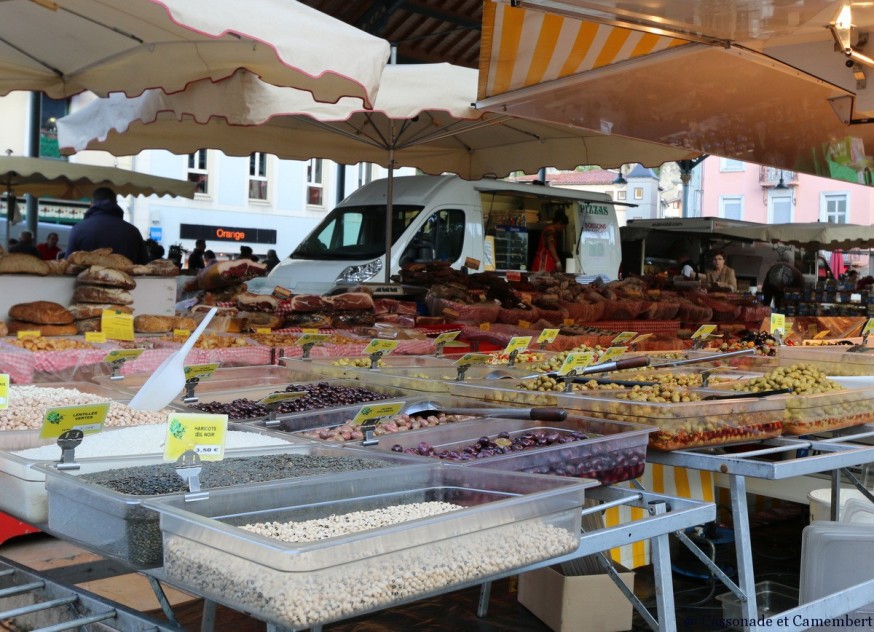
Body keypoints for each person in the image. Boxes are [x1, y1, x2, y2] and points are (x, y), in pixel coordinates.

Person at [66, 187, 147, 264]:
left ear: (91, 204)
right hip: (126, 278)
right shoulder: (133, 232)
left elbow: (67, 264)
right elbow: (144, 266)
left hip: (85, 278)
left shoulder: (78, 230)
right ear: (116, 204)